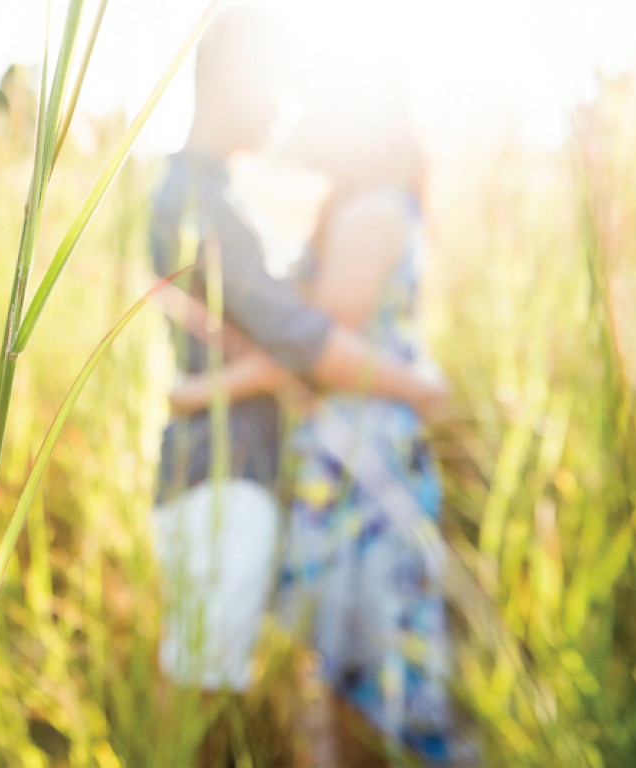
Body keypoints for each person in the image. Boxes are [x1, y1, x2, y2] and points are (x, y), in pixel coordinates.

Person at [146, 2, 448, 750]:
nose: (285, 107)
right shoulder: (200, 202)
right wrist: (416, 386)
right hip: (224, 469)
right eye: (276, 84)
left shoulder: (214, 199)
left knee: (238, 671)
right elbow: (303, 340)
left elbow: (283, 336)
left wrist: (202, 388)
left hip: (250, 465)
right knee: (204, 679)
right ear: (232, 79)